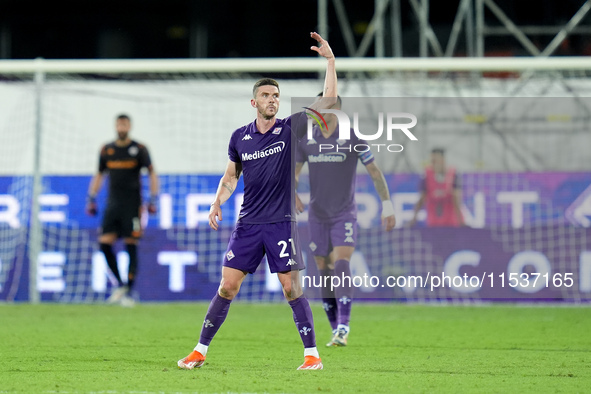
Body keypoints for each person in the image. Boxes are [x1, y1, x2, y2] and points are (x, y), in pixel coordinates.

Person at [177, 32, 337, 371]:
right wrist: (217, 201)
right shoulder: (240, 137)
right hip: (248, 224)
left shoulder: (290, 128)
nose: (272, 100)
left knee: (291, 287)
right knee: (227, 285)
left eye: (276, 95)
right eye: (265, 95)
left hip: (280, 222)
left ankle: (312, 356)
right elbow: (231, 177)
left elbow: (329, 102)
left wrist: (330, 62)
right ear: (254, 102)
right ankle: (199, 350)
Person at [295, 94, 396, 347]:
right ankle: (335, 330)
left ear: (336, 109)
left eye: (323, 106)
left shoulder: (352, 136)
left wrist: (387, 204)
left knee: (341, 262)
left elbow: (374, 171)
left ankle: (344, 325)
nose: (317, 111)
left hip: (344, 214)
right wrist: (291, 191)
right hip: (317, 215)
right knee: (324, 271)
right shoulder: (307, 138)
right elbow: (293, 174)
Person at [86, 114, 159, 307]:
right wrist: (91, 197)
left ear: (129, 126)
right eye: (119, 123)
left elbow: (152, 174)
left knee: (131, 244)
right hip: (113, 205)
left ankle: (128, 291)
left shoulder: (139, 149)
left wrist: (153, 198)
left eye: (125, 124)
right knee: (104, 244)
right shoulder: (106, 150)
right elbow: (99, 174)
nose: (121, 127)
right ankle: (121, 286)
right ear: (115, 126)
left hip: (133, 205)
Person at [409, 148, 464, 227]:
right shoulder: (426, 175)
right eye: (432, 161)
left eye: (435, 161)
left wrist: (461, 222)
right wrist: (414, 218)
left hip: (451, 221)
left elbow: (457, 199)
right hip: (433, 221)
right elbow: (422, 199)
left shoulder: (453, 174)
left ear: (443, 160)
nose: (433, 164)